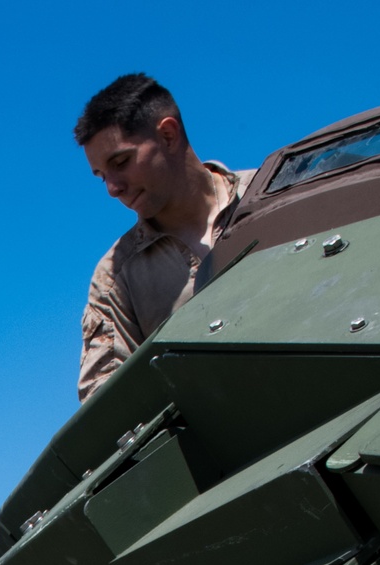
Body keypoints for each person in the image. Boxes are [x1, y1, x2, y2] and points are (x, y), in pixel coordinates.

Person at [74, 73, 254, 402]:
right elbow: (110, 406)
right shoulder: (116, 277)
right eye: (102, 177)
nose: (113, 188)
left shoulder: (274, 193)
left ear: (168, 135)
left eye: (121, 162)